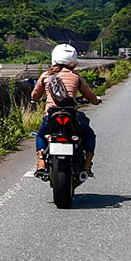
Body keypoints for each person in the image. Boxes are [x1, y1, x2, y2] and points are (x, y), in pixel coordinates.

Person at [32, 43, 100, 177]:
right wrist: (97, 100)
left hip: (51, 115)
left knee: (41, 135)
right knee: (89, 135)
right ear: (73, 60)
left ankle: (41, 162)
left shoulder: (46, 76)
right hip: (71, 115)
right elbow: (91, 96)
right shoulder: (76, 77)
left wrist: (37, 99)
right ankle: (87, 165)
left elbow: (34, 95)